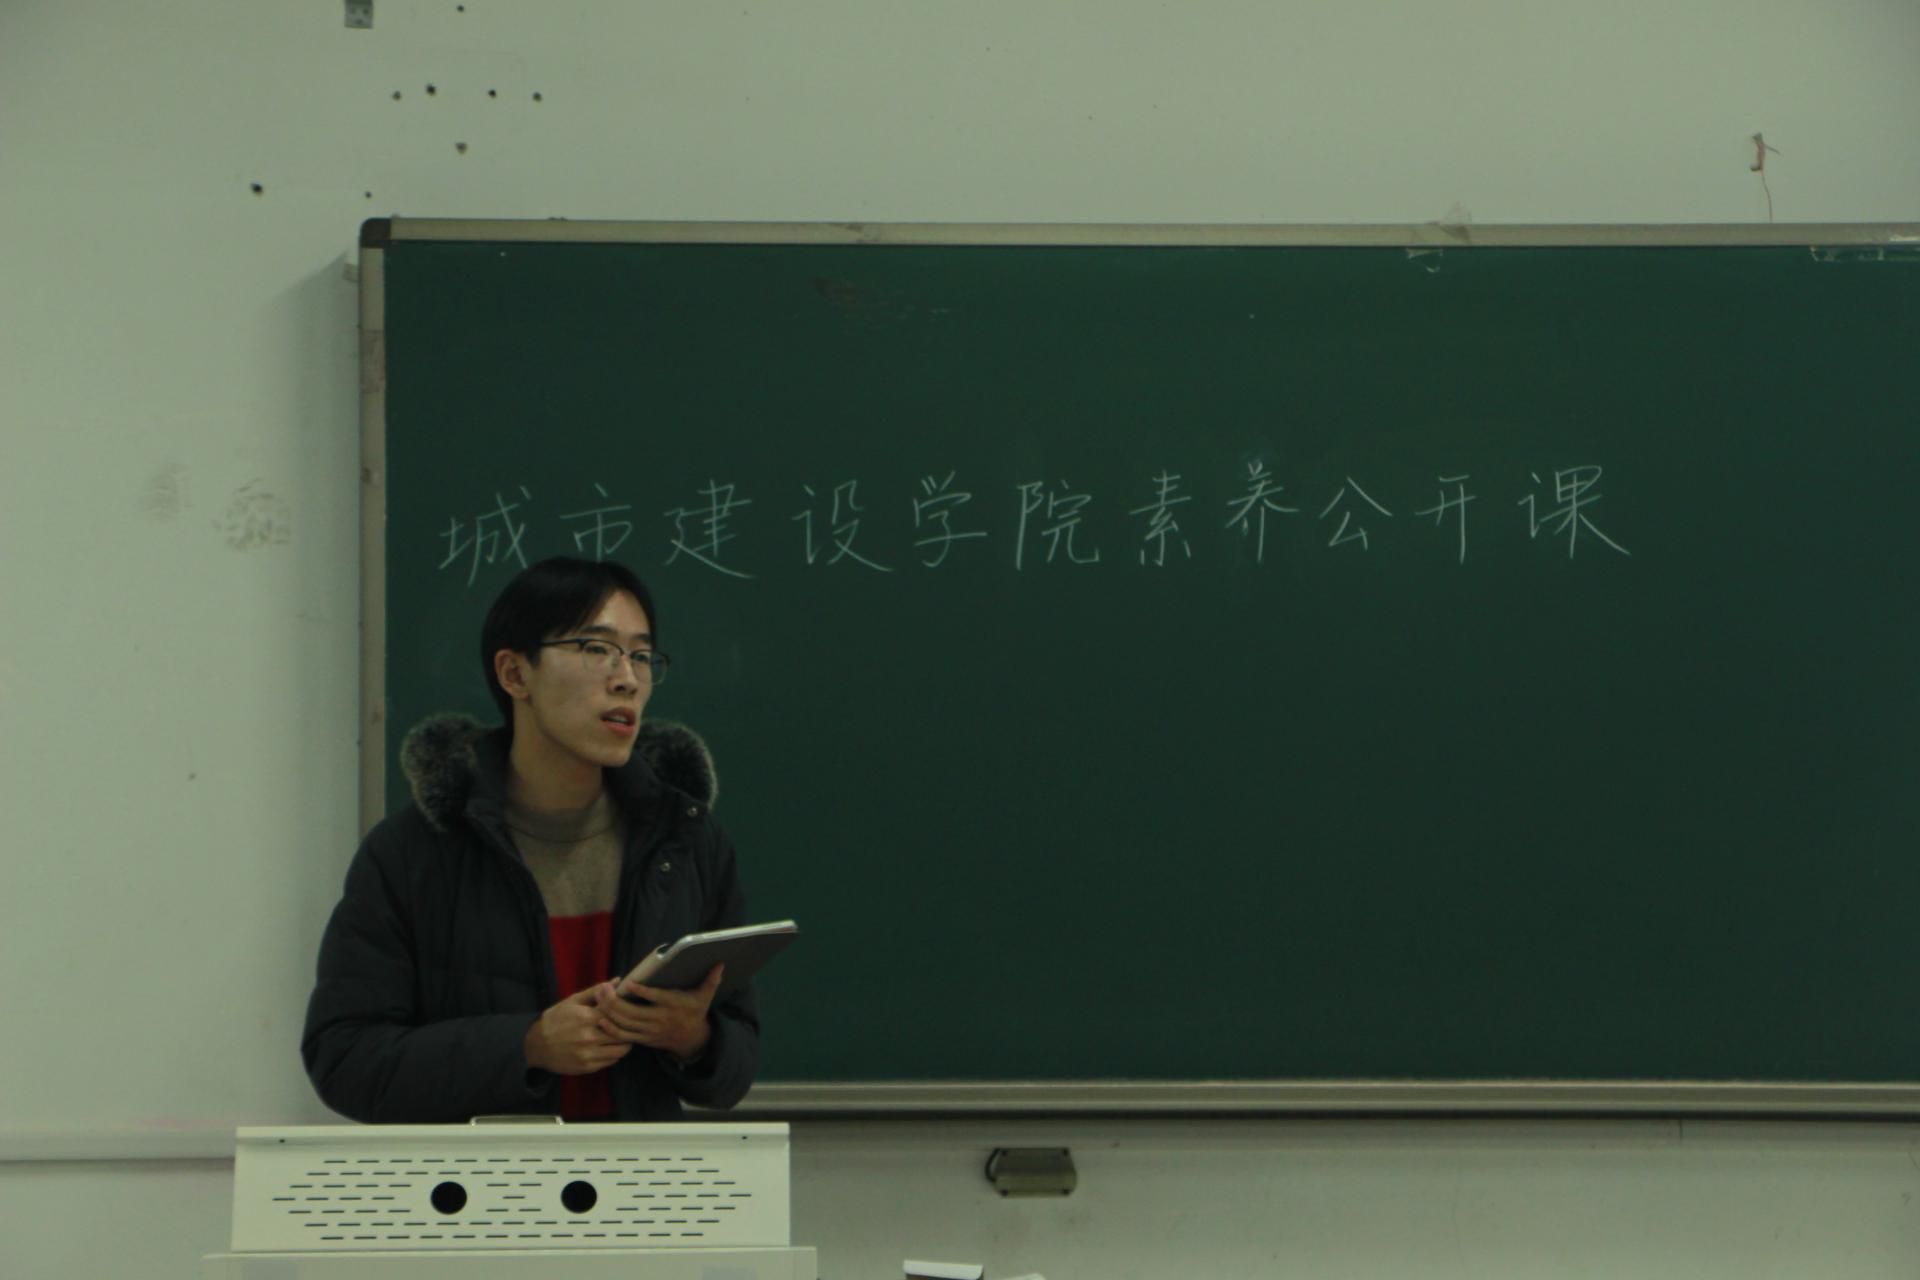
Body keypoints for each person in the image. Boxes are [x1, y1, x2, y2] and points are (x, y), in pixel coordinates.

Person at [301, 557, 758, 1122]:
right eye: (596, 648)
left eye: (641, 656)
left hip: (642, 1175)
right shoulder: (411, 854)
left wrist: (696, 1039)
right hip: (481, 1177)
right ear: (515, 674)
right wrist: (526, 1046)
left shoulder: (685, 841)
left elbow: (738, 1062)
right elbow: (344, 1060)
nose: (627, 678)